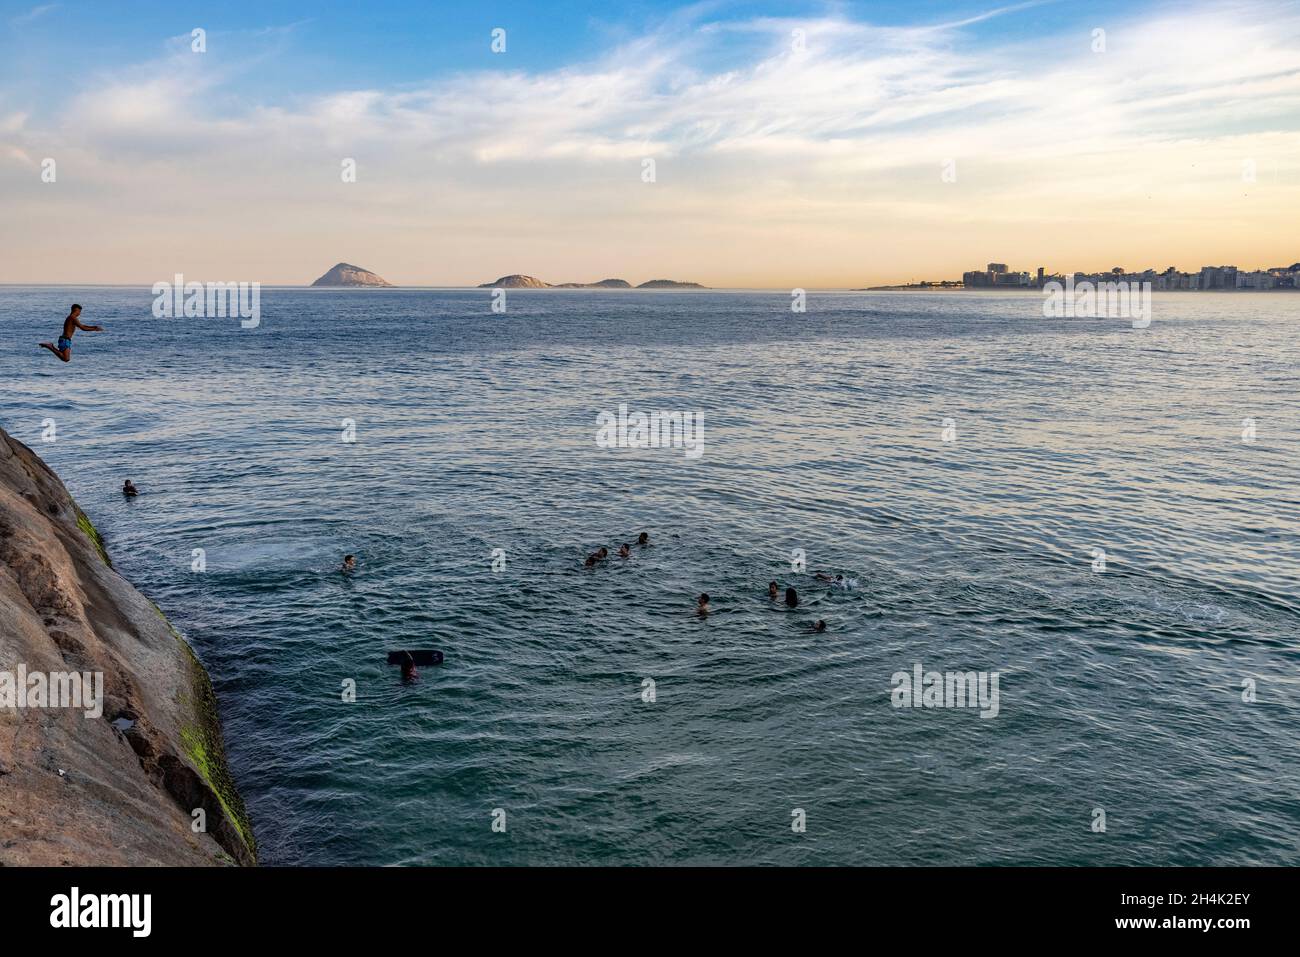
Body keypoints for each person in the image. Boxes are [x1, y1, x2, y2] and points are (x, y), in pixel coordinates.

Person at [39, 305, 103, 363]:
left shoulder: (71, 318)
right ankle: (50, 346)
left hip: (66, 339)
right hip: (65, 340)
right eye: (79, 312)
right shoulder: (72, 317)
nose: (79, 314)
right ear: (76, 310)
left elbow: (82, 325)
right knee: (66, 358)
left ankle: (50, 346)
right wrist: (94, 329)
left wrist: (94, 327)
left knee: (66, 358)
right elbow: (83, 328)